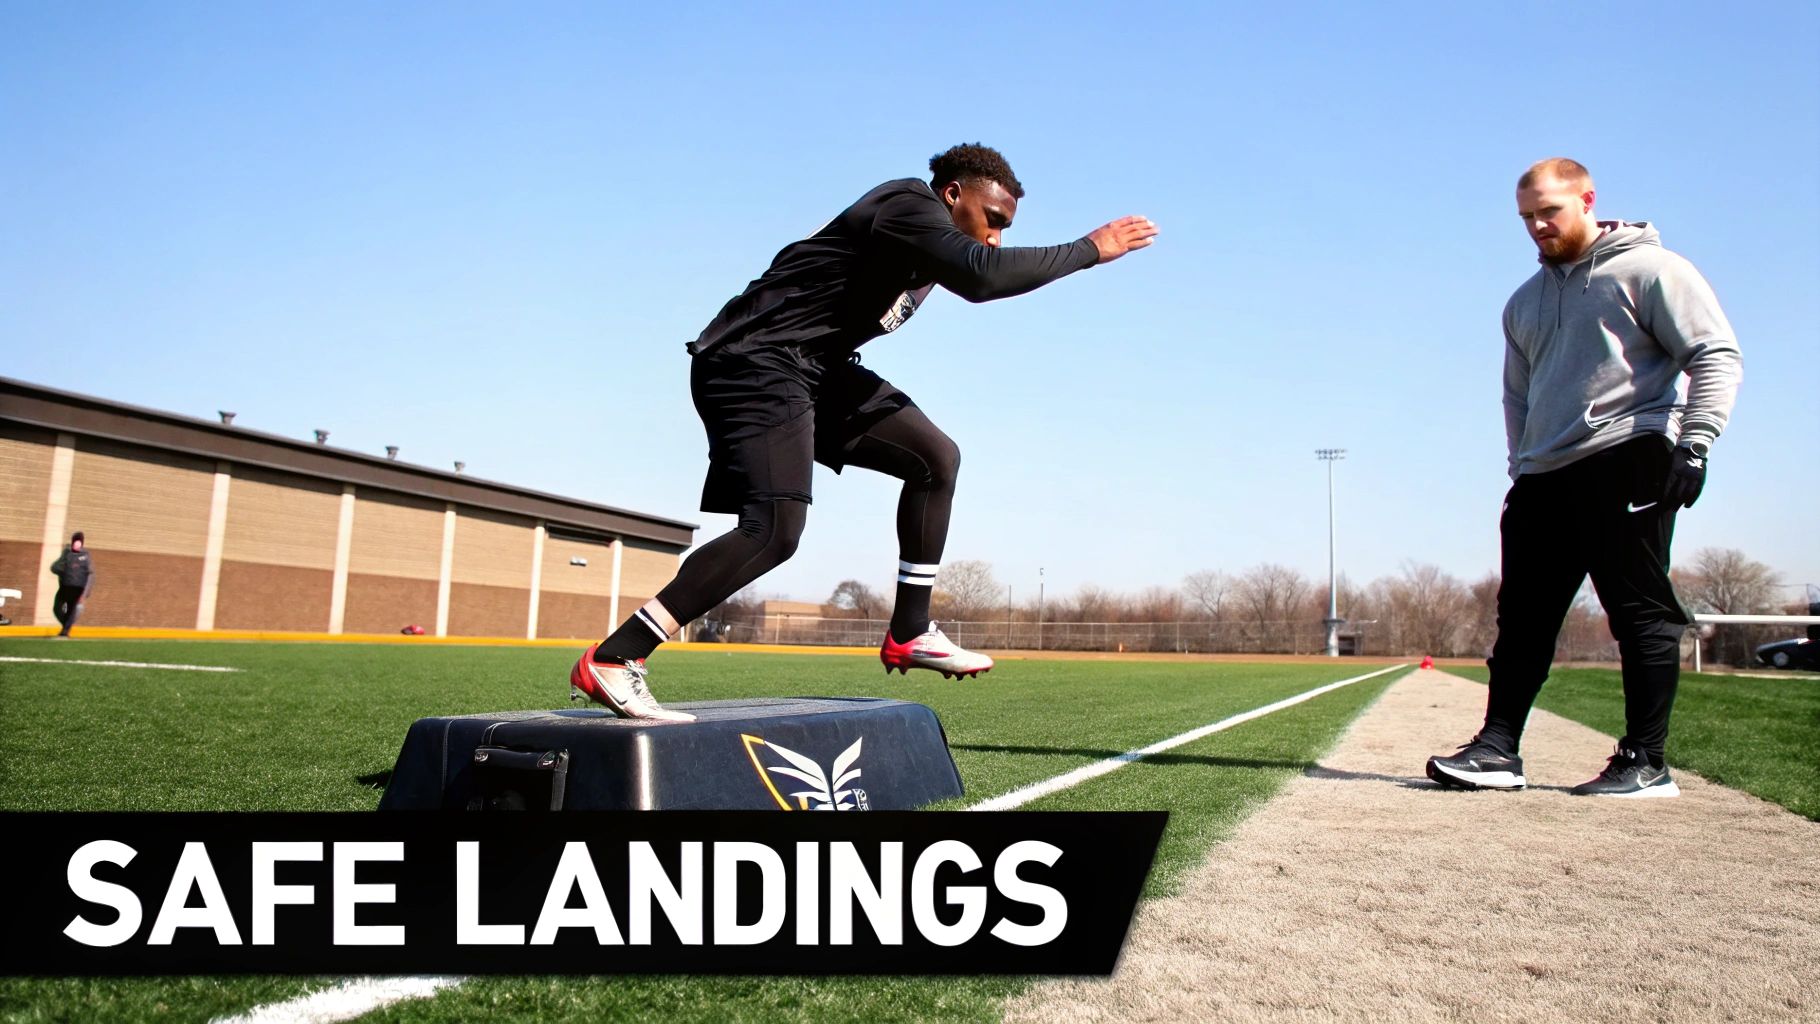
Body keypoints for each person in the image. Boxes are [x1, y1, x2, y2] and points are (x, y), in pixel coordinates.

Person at [570, 144, 1158, 720]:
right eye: (993, 220)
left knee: (935, 458)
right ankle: (616, 658)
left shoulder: (925, 261)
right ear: (953, 195)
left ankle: (909, 630)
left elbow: (977, 270)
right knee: (773, 530)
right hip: (756, 360)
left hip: (814, 370)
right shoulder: (906, 205)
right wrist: (1090, 249)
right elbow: (983, 277)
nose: (994, 237)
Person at [1426, 158, 1742, 797]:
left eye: (1550, 211)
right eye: (1526, 217)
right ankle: (1497, 751)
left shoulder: (1653, 270)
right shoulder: (1524, 301)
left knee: (1638, 614)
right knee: (1522, 622)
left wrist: (1696, 444)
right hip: (1544, 477)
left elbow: (1714, 354)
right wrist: (1522, 467)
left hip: (1626, 457)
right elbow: (1517, 395)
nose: (1538, 225)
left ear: (1587, 199)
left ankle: (1645, 761)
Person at [49, 531, 95, 638]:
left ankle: (65, 631)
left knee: (71, 610)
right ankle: (66, 625)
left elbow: (90, 575)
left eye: (79, 542)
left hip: (77, 588)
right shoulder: (66, 553)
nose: (77, 544)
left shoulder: (85, 556)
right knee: (56, 608)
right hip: (65, 587)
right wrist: (63, 566)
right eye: (75, 541)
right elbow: (54, 568)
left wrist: (85, 593)